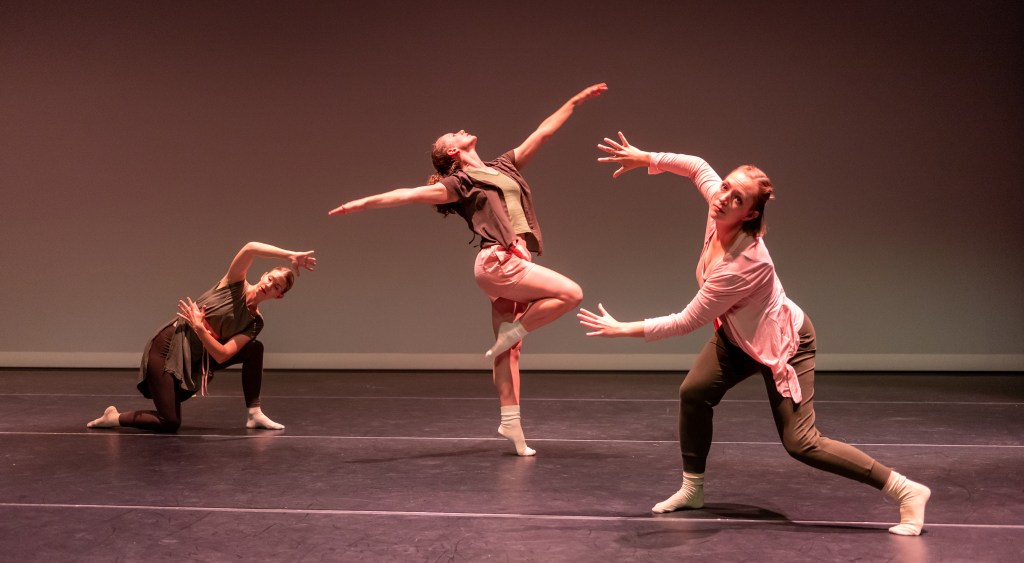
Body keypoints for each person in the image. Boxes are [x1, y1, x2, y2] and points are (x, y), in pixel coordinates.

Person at [578, 132, 931, 536]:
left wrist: (622, 329)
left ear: (749, 214)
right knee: (694, 392)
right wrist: (646, 157)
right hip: (739, 335)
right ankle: (692, 489)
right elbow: (696, 166)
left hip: (783, 344)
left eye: (737, 199)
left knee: (801, 442)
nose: (724, 197)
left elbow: (686, 320)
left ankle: (905, 490)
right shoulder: (718, 207)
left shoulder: (744, 263)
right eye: (726, 188)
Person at [329, 83, 607, 456]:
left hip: (511, 261)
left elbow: (542, 133)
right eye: (454, 134)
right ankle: (514, 331)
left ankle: (511, 425)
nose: (461, 130)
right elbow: (407, 195)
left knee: (508, 353)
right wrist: (361, 203)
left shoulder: (502, 166)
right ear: (452, 151)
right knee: (571, 294)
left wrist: (573, 102)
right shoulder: (459, 184)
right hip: (498, 262)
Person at [87, 242, 316, 433]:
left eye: (276, 287)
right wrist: (290, 255)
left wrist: (200, 328)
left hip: (198, 357)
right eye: (271, 279)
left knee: (255, 349)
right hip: (169, 347)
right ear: (264, 275)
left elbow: (223, 354)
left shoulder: (255, 322)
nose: (269, 285)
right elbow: (250, 248)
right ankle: (113, 417)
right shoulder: (234, 283)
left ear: (279, 296)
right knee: (170, 422)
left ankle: (254, 413)